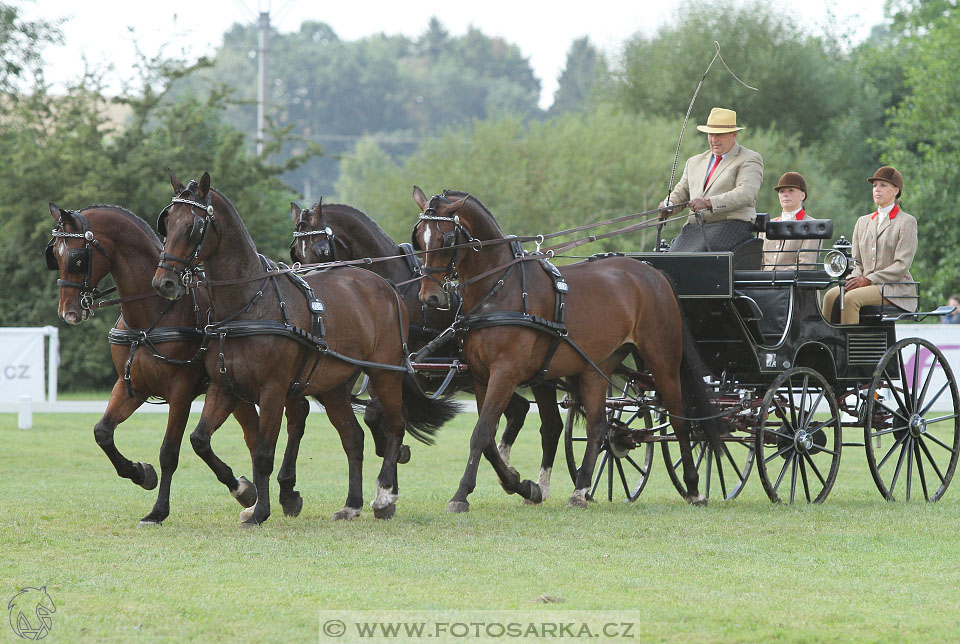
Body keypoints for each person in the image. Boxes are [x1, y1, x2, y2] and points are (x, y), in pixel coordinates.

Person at [821, 166, 918, 324]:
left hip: (893, 288)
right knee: (831, 296)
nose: (877, 190)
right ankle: (827, 344)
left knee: (850, 299)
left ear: (896, 190)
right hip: (865, 283)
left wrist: (869, 279)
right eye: (874, 186)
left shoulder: (906, 222)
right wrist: (854, 279)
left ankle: (849, 347)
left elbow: (901, 265)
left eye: (883, 185)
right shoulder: (863, 222)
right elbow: (857, 261)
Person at [660, 107, 764, 252]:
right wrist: (669, 204)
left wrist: (709, 203)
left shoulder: (749, 159)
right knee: (671, 258)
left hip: (730, 225)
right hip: (695, 228)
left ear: (734, 134)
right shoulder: (694, 161)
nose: (714, 140)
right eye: (711, 135)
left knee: (695, 257)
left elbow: (746, 193)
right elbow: (682, 190)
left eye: (719, 135)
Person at [761, 172, 821, 270]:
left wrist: (775, 278)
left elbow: (805, 264)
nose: (785, 195)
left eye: (791, 190)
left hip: (792, 283)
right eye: (781, 191)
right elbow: (759, 261)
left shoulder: (812, 226)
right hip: (762, 283)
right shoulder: (768, 225)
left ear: (802, 195)